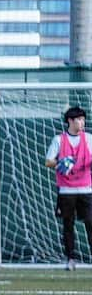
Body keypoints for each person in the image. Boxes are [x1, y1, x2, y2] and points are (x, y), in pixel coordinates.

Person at [45, 105, 92, 271]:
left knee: (90, 222)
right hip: (66, 190)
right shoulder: (59, 140)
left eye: (83, 119)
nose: (82, 122)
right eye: (78, 119)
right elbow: (48, 161)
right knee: (68, 225)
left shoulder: (89, 138)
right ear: (70, 121)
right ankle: (71, 258)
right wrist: (61, 163)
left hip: (86, 189)